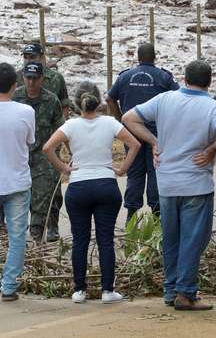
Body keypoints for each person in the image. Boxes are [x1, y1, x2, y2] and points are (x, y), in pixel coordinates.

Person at [122, 60, 216, 311]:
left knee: (171, 239)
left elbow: (128, 118)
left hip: (167, 183)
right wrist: (211, 149)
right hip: (196, 184)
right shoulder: (212, 106)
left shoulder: (165, 100)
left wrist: (154, 141)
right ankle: (185, 293)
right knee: (193, 240)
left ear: (184, 79)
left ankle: (170, 290)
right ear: (209, 81)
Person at [43, 82, 141, 304]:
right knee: (105, 239)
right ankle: (108, 290)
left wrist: (64, 168)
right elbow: (135, 144)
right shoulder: (109, 123)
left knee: (80, 240)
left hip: (78, 187)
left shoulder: (70, 125)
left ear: (77, 103)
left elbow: (47, 148)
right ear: (99, 102)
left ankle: (79, 290)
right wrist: (122, 169)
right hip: (106, 186)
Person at [107, 43, 179, 222]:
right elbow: (179, 98)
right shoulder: (164, 76)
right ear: (154, 57)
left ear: (137, 57)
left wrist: (120, 119)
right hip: (157, 134)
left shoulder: (125, 77)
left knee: (135, 173)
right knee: (156, 172)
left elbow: (109, 98)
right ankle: (156, 218)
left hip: (132, 133)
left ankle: (131, 218)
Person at [13, 62, 64, 243]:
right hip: (18, 155)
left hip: (42, 156)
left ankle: (37, 235)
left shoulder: (51, 100)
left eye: (35, 78)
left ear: (42, 78)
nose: (32, 82)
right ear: (23, 78)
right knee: (15, 197)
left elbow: (60, 129)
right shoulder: (14, 97)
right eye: (28, 78)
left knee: (42, 197)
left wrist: (55, 154)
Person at [0, 62, 35, 302]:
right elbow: (31, 141)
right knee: (17, 237)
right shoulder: (26, 112)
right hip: (17, 183)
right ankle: (9, 286)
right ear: (16, 85)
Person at [16, 43, 70, 115]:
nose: (28, 61)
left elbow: (64, 105)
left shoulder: (56, 78)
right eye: (25, 57)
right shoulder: (16, 77)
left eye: (32, 57)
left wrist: (63, 124)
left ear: (42, 58)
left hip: (48, 123)